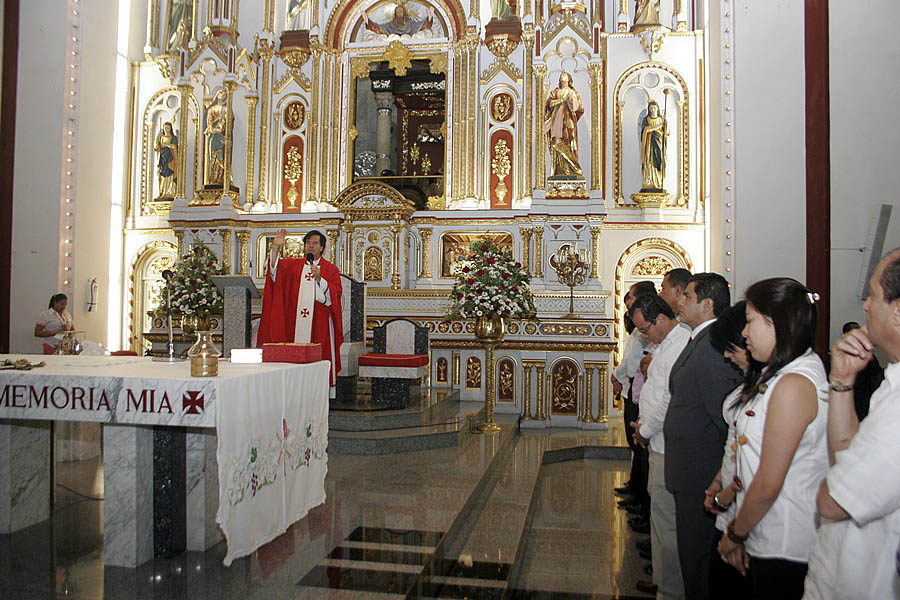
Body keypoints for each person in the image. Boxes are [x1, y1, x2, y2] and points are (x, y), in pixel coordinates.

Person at [716, 278, 828, 599]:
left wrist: (734, 535)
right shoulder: (779, 375)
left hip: (786, 542)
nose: (744, 333)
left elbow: (768, 483)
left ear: (775, 322)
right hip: (764, 532)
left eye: (750, 321)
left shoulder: (793, 384)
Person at [803, 249, 900, 599]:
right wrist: (842, 381)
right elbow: (845, 452)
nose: (865, 305)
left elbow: (833, 501)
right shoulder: (892, 382)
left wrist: (820, 484)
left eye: (872, 294)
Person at [666, 273, 744, 600]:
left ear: (707, 304)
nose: (680, 301)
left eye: (687, 296)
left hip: (700, 472)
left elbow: (725, 418)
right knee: (691, 556)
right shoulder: (700, 340)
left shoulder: (712, 347)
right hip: (690, 470)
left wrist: (721, 476)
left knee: (697, 559)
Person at [631, 293, 692, 598]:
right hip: (657, 440)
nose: (645, 336)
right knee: (660, 518)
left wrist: (645, 429)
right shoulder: (666, 343)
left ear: (661, 319)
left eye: (645, 329)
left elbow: (669, 398)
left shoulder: (679, 345)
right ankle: (662, 579)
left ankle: (670, 591)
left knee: (667, 522)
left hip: (666, 443)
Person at [704, 302, 757, 600]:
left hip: (746, 518)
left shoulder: (778, 389)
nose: (726, 356)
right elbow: (735, 446)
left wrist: (727, 495)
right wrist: (718, 480)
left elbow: (761, 466)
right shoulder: (751, 385)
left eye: (731, 348)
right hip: (730, 507)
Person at [257, 229, 344, 389]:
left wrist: (321, 279)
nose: (310, 246)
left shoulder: (330, 269)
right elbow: (274, 271)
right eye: (308, 243)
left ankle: (319, 389)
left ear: (322, 248)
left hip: (320, 322)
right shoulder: (294, 265)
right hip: (295, 322)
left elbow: (335, 295)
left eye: (315, 243)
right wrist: (275, 248)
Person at [837, 321, 884, 421]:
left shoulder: (868, 356)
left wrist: (872, 361)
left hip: (865, 400)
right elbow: (833, 384)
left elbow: (878, 376)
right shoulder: (837, 357)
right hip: (845, 400)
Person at [544, 72, 585, 178]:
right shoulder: (555, 92)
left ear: (569, 79)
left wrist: (571, 99)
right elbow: (549, 104)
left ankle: (574, 169)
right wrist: (562, 100)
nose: (563, 75)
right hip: (556, 121)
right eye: (561, 75)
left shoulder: (572, 92)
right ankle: (559, 170)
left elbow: (577, 108)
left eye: (565, 75)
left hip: (568, 122)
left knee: (569, 143)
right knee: (556, 143)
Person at [640, 100, 668, 191]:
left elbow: (666, 133)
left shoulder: (661, 119)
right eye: (651, 108)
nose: (652, 110)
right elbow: (644, 131)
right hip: (649, 144)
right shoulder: (646, 120)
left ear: (657, 109)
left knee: (659, 160)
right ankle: (649, 181)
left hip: (658, 143)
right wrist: (655, 128)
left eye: (654, 108)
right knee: (649, 161)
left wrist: (665, 123)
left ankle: (658, 181)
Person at [362, 4, 434, 37]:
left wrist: (429, 17)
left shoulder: (411, 24)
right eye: (397, 11)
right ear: (395, 14)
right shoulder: (389, 25)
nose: (399, 13)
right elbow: (378, 28)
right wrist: (367, 21)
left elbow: (421, 26)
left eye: (401, 11)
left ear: (404, 14)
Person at [154, 121, 178, 198]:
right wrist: (157, 139)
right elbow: (156, 148)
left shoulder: (173, 138)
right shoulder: (161, 138)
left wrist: (167, 145)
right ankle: (162, 192)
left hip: (170, 159)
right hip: (162, 159)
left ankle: (168, 192)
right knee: (162, 175)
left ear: (170, 129)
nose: (166, 130)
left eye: (168, 128)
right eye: (165, 128)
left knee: (170, 173)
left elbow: (174, 146)